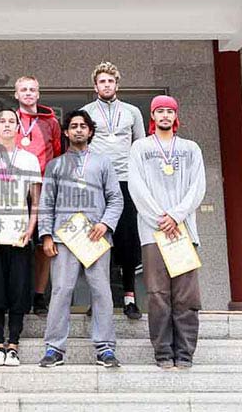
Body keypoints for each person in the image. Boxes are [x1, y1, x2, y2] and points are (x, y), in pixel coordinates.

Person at [38, 110, 123, 368]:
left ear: (90, 132)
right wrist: (46, 235)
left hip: (95, 236)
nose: (78, 130)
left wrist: (105, 223)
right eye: (73, 126)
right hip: (64, 238)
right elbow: (46, 202)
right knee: (62, 291)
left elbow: (116, 198)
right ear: (65, 132)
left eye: (83, 126)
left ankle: (105, 347)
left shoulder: (102, 163)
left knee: (101, 291)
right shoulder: (55, 165)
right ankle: (54, 348)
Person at [128, 95, 206, 370]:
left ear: (176, 116)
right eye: (159, 111)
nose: (164, 116)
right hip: (153, 232)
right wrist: (161, 218)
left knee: (186, 295)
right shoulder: (140, 148)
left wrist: (176, 216)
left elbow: (197, 187)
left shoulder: (190, 148)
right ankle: (162, 352)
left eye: (169, 112)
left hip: (183, 231)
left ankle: (185, 353)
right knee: (158, 294)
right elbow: (136, 188)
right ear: (152, 116)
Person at [0, 108, 42, 367]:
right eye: (1, 121)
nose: (6, 125)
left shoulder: (29, 159)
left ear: (18, 127)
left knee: (17, 288)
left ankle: (13, 344)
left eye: (11, 121)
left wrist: (31, 228)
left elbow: (35, 200)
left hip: (19, 234)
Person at [82, 61, 146, 319]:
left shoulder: (132, 112)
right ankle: (98, 299)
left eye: (110, 81)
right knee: (97, 241)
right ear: (95, 85)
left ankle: (130, 298)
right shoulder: (86, 112)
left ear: (117, 84)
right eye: (102, 81)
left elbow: (141, 148)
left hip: (126, 181)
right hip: (97, 183)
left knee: (127, 240)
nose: (106, 85)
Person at [14, 76, 62, 315]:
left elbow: (58, 154)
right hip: (15, 189)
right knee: (18, 241)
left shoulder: (51, 122)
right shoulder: (9, 120)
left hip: (43, 187)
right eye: (24, 90)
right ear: (16, 94)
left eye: (33, 89)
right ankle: (21, 293)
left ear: (38, 94)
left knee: (44, 242)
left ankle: (39, 295)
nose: (28, 93)